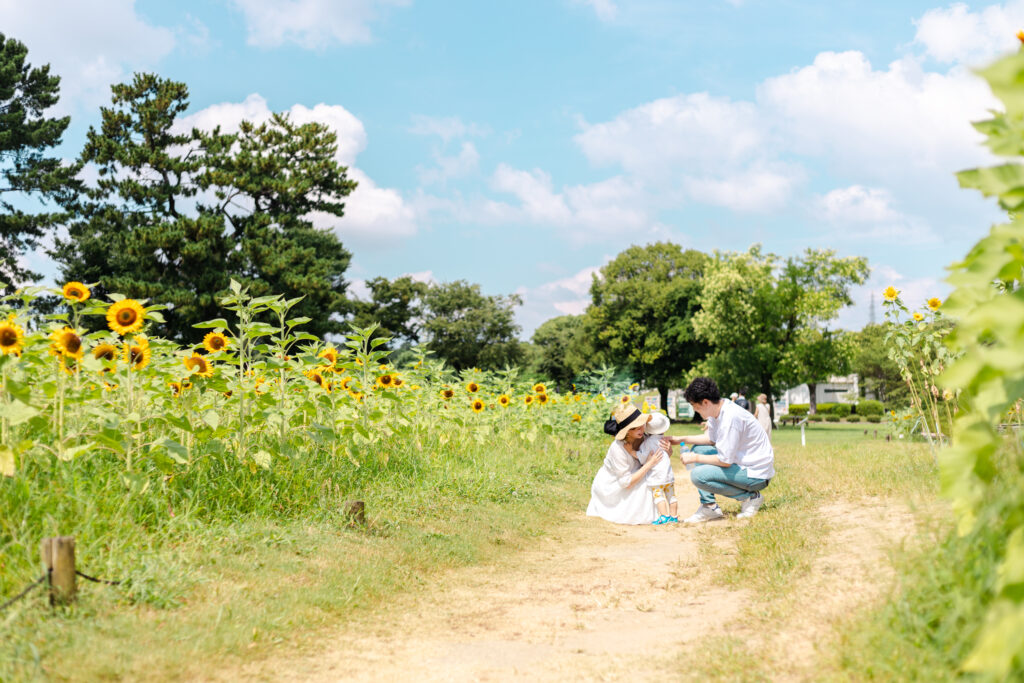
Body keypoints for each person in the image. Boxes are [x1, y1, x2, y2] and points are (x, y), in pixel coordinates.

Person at [663, 377, 774, 523]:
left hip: (756, 474)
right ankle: (710, 506)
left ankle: (750, 497)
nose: (695, 410)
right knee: (700, 449)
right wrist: (681, 439)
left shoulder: (730, 418)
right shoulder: (719, 410)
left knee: (698, 475)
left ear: (705, 402)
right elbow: (710, 439)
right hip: (743, 464)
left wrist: (694, 458)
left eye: (695, 406)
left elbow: (725, 461)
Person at [586, 404, 664, 525]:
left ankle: (665, 514)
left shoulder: (644, 438)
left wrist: (668, 450)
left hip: (636, 475)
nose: (641, 430)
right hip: (614, 485)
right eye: (634, 428)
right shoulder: (617, 449)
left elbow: (659, 457)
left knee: (656, 478)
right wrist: (648, 464)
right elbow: (625, 483)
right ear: (626, 432)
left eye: (642, 425)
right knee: (648, 484)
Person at [637, 412, 677, 525]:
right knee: (672, 496)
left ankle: (664, 516)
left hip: (656, 477)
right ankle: (674, 516)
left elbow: (643, 457)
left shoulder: (647, 443)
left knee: (658, 497)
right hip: (668, 476)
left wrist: (633, 453)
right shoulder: (665, 441)